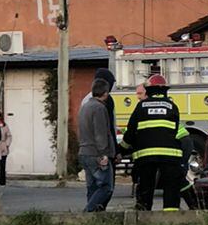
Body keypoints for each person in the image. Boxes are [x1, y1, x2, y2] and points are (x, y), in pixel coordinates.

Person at [124, 72, 183, 212]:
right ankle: (171, 218)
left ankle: (143, 216)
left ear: (148, 90)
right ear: (165, 90)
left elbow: (131, 132)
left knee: (146, 186)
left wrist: (122, 149)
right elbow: (174, 131)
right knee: (171, 187)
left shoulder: (141, 106)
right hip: (169, 155)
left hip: (146, 156)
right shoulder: (172, 106)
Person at [78, 76, 116, 213]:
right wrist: (104, 154)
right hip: (96, 154)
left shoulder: (85, 107)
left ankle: (91, 219)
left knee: (92, 187)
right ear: (105, 93)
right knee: (106, 187)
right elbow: (101, 133)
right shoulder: (99, 108)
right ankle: (87, 212)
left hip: (84, 152)